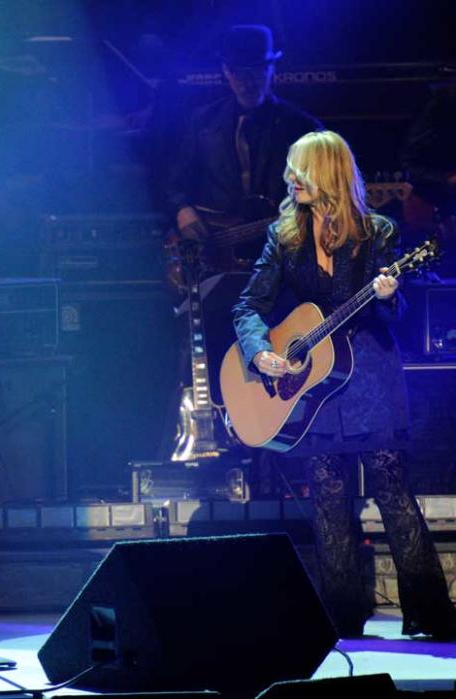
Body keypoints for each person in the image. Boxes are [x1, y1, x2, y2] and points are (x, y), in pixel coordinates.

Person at [232, 130, 456, 639]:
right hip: (314, 384)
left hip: (370, 375)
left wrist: (387, 294)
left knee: (392, 490)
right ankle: (343, 617)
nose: (290, 180)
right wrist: (261, 352)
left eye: (299, 171)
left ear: (326, 173)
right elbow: (248, 306)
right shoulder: (283, 236)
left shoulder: (377, 233)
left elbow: (396, 314)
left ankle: (431, 616)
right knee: (329, 497)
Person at [165, 24, 322, 246]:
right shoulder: (202, 122)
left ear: (271, 70)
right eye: (237, 72)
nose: (247, 82)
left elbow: (327, 191)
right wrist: (183, 211)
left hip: (282, 251)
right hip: (216, 253)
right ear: (226, 73)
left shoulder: (302, 129)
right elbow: (174, 185)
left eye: (256, 70)